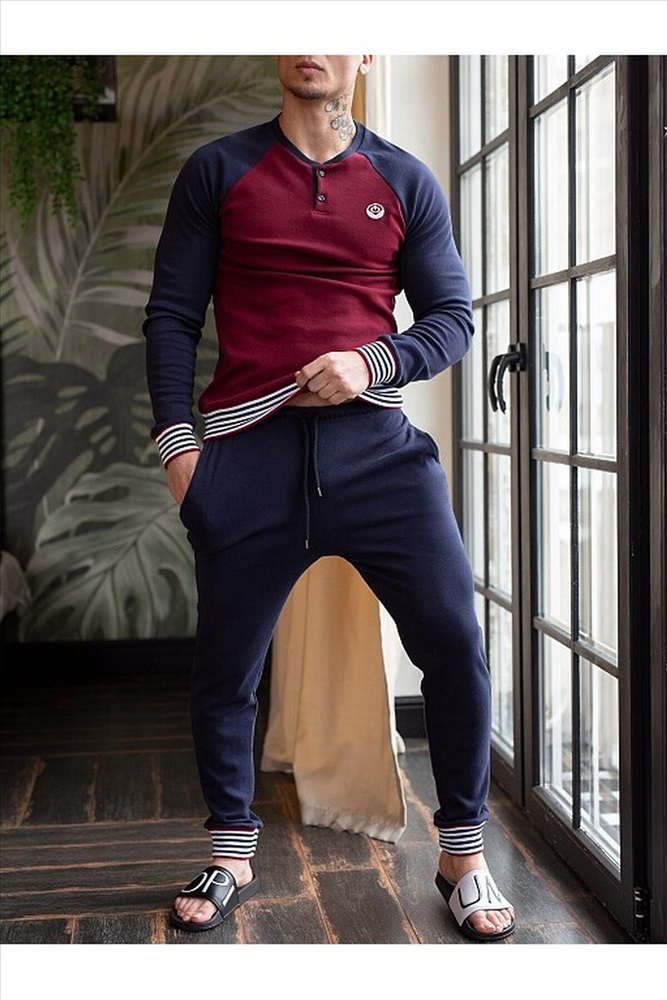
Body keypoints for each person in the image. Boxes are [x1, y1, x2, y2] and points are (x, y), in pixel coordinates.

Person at [143, 55, 515, 942]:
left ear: (364, 54)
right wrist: (180, 453)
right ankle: (231, 852)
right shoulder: (219, 170)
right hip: (245, 460)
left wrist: (371, 361)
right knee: (225, 671)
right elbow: (171, 317)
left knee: (455, 645)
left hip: (378, 457)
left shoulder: (403, 179)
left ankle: (462, 856)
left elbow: (452, 319)